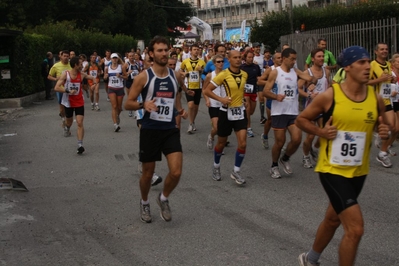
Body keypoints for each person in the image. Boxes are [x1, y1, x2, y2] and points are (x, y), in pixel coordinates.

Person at [295, 46, 389, 266]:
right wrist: (321, 132)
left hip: (358, 170)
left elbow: (379, 124)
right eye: (361, 63)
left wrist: (381, 130)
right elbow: (302, 120)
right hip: (332, 169)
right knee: (355, 229)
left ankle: (310, 259)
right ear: (347, 67)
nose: (367, 66)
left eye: (368, 62)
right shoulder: (330, 96)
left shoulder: (374, 99)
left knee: (332, 219)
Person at [124, 36, 185, 223]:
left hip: (169, 129)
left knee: (176, 172)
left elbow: (175, 98)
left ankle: (163, 198)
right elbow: (128, 104)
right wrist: (143, 105)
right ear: (151, 54)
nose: (164, 53)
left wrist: (179, 111)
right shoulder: (144, 76)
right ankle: (144, 202)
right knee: (148, 174)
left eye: (166, 50)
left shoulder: (175, 75)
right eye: (159, 50)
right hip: (150, 129)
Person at [263, 48, 317, 179]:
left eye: (295, 59)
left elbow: (312, 78)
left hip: (292, 112)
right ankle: (274, 165)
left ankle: (285, 158)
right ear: (284, 58)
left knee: (297, 139)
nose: (294, 61)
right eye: (292, 59)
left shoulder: (295, 71)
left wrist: (311, 84)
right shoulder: (275, 72)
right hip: (279, 112)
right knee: (280, 142)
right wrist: (276, 97)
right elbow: (265, 91)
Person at [203, 50, 248, 185]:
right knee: (221, 143)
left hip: (240, 112)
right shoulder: (223, 75)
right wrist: (221, 99)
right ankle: (216, 166)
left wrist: (243, 99)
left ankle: (236, 171)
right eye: (235, 57)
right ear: (229, 59)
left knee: (243, 143)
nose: (238, 60)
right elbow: (207, 90)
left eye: (240, 57)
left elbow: (240, 90)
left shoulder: (244, 74)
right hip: (225, 113)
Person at [54, 56, 98, 154]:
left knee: (79, 122)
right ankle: (67, 127)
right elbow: (56, 87)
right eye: (80, 64)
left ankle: (80, 144)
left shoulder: (81, 75)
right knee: (69, 121)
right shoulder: (66, 75)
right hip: (68, 102)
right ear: (75, 65)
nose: (82, 66)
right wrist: (68, 91)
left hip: (79, 102)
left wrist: (94, 83)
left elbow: (92, 77)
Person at [298, 48, 331, 169]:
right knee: (311, 136)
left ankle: (314, 149)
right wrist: (309, 94)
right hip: (311, 107)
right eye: (319, 56)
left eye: (323, 56)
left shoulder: (326, 71)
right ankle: (305, 156)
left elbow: (330, 86)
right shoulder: (307, 73)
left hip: (324, 107)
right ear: (312, 59)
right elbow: (299, 88)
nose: (322, 58)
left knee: (324, 133)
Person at [368, 42, 397, 167]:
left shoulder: (389, 65)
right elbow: (365, 82)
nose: (384, 51)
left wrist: (393, 80)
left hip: (386, 100)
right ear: (376, 52)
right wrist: (379, 80)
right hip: (373, 101)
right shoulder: (372, 65)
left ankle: (382, 153)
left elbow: (388, 82)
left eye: (386, 49)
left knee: (395, 128)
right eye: (381, 49)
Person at [257, 51, 283, 149]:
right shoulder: (270, 69)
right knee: (271, 120)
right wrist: (271, 83)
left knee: (282, 120)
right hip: (271, 98)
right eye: (278, 58)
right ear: (273, 60)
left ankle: (280, 142)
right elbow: (259, 81)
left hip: (282, 98)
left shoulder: (286, 70)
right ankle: (265, 135)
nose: (280, 59)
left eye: (282, 58)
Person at [180, 44, 206, 134]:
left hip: (198, 86)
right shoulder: (185, 61)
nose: (196, 51)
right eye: (194, 49)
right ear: (191, 51)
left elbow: (205, 73)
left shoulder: (202, 62)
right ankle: (190, 124)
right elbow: (181, 70)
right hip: (189, 86)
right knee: (190, 105)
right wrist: (184, 73)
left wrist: (201, 71)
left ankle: (193, 121)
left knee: (195, 107)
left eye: (197, 49)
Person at [203, 54, 224, 150]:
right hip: (213, 103)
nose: (221, 63)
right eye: (218, 62)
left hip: (224, 103)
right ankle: (211, 137)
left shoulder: (226, 74)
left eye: (222, 61)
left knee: (222, 127)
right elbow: (204, 89)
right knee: (216, 128)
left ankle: (220, 146)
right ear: (214, 64)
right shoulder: (210, 75)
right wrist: (207, 100)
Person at [240, 50, 262, 138]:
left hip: (254, 90)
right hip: (245, 91)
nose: (251, 59)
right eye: (249, 57)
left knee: (251, 111)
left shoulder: (256, 67)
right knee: (248, 109)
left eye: (252, 57)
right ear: (245, 58)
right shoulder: (241, 67)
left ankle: (244, 119)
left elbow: (259, 78)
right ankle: (248, 128)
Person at [48, 50, 71, 128]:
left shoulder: (71, 65)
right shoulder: (56, 65)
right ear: (61, 56)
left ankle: (67, 122)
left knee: (69, 107)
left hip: (70, 90)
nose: (66, 58)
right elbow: (49, 76)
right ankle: (63, 120)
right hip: (60, 89)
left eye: (67, 56)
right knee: (62, 109)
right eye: (64, 56)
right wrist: (55, 79)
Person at [104, 53, 127, 132]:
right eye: (113, 58)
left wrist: (120, 76)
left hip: (120, 88)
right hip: (111, 88)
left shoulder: (121, 67)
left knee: (119, 107)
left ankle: (117, 116)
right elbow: (104, 77)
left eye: (116, 58)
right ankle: (115, 124)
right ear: (111, 59)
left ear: (117, 59)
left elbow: (126, 77)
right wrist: (105, 77)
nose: (114, 59)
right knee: (114, 106)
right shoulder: (108, 68)